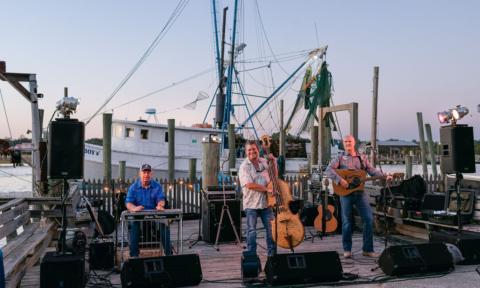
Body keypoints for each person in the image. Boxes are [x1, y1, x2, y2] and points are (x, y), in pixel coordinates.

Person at [325, 135, 390, 258]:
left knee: (368, 219)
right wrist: (340, 180)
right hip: (345, 193)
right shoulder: (339, 158)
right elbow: (329, 170)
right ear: (343, 144)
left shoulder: (362, 158)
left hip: (360, 193)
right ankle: (347, 249)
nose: (347, 143)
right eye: (345, 142)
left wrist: (383, 175)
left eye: (349, 141)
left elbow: (371, 170)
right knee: (347, 222)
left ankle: (367, 249)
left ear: (354, 143)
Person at [239, 140, 276, 257]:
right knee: (252, 232)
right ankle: (252, 257)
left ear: (258, 149)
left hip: (266, 203)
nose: (252, 152)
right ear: (246, 152)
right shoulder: (244, 167)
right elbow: (249, 185)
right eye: (249, 150)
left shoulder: (264, 162)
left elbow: (274, 177)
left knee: (271, 231)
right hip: (251, 205)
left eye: (254, 149)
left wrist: (273, 162)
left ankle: (272, 257)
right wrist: (266, 189)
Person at [125, 164, 171, 257]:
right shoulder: (133, 187)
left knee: (164, 224)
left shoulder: (157, 186)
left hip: (154, 215)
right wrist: (134, 208)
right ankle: (134, 255)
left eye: (148, 172)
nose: (146, 174)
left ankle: (169, 255)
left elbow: (161, 199)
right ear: (140, 174)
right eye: (144, 172)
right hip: (138, 216)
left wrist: (160, 205)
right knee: (134, 224)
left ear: (151, 174)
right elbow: (128, 203)